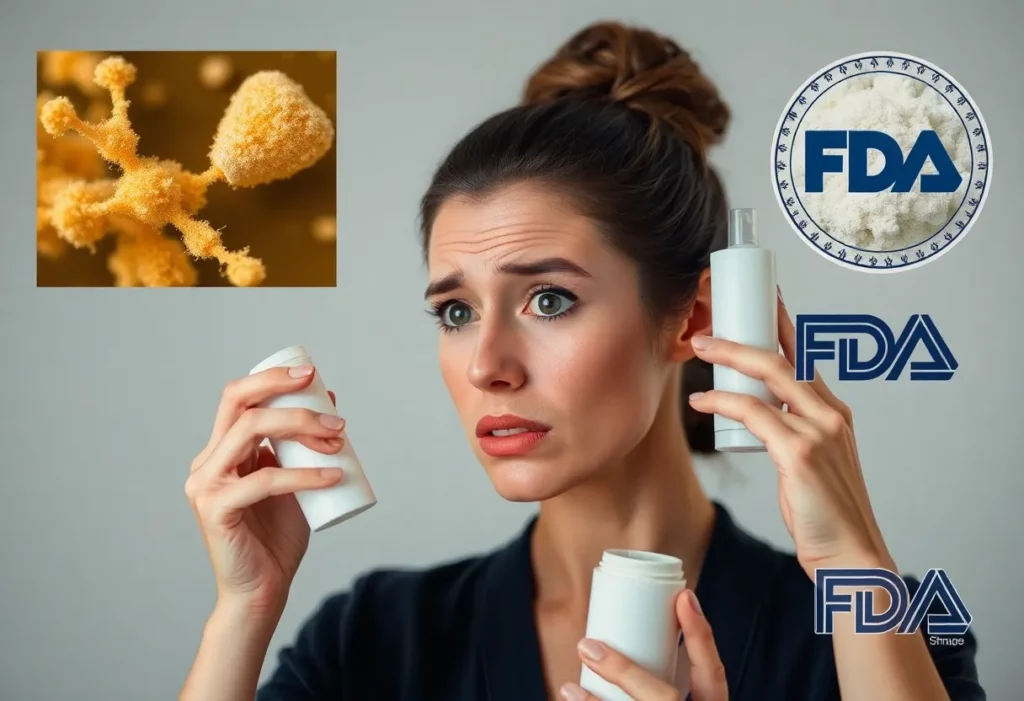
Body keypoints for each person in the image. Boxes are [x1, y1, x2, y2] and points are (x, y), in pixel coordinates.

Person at [179, 21, 985, 701]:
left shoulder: (872, 632)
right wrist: (243, 609)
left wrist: (851, 559)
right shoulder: (375, 642)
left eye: (549, 300)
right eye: (456, 311)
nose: (487, 363)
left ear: (692, 318)